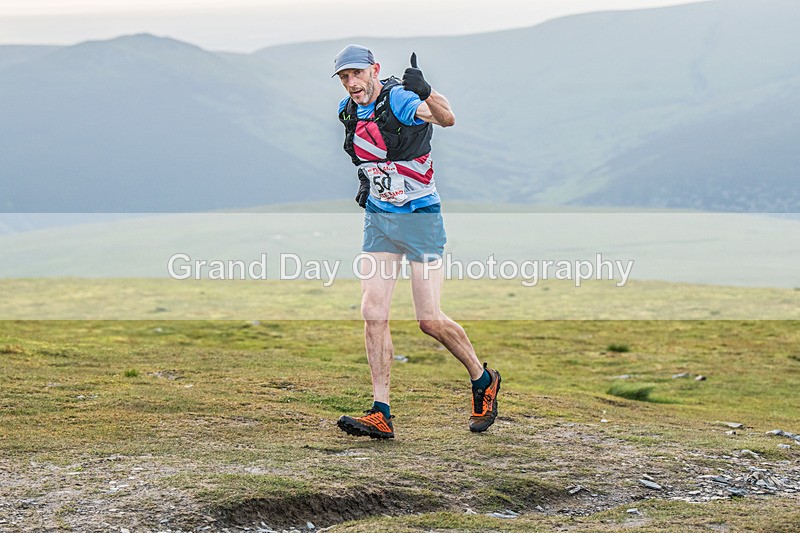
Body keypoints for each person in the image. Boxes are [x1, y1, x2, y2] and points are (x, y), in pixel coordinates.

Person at [333, 44, 501, 439]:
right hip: (380, 220)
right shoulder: (348, 112)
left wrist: (427, 92)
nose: (352, 83)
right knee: (372, 311)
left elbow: (447, 119)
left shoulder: (401, 99)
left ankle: (483, 379)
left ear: (374, 69)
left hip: (420, 218)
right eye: (344, 77)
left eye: (357, 73)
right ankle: (381, 412)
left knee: (429, 320)